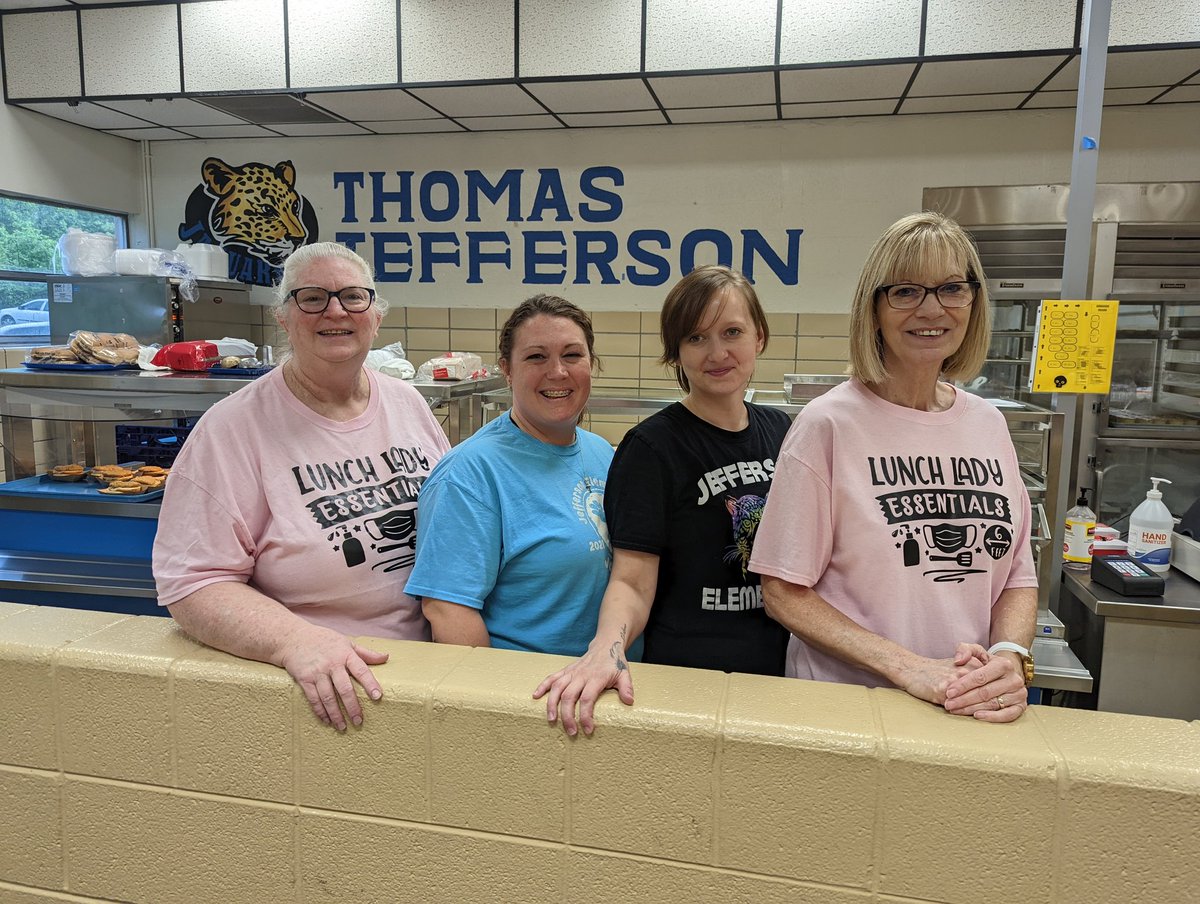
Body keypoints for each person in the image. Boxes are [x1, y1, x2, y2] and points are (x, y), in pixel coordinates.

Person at [751, 212, 1038, 722]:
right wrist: (909, 668)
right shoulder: (829, 425)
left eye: (952, 288)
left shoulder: (988, 425)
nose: (933, 309)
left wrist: (1009, 657)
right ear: (875, 308)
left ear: (973, 301)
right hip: (848, 713)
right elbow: (783, 591)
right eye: (906, 291)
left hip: (963, 706)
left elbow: (1016, 573)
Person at [153, 242, 450, 730]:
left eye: (354, 297)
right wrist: (295, 641)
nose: (335, 310)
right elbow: (192, 582)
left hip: (430, 669)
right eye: (311, 297)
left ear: (375, 316)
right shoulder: (232, 429)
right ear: (283, 317)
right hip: (324, 686)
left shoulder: (406, 403)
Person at [534, 265, 792, 735]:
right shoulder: (652, 448)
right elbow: (632, 579)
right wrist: (605, 651)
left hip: (781, 672)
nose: (717, 353)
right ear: (676, 353)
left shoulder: (785, 434)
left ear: (759, 337)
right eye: (695, 338)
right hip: (686, 680)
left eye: (732, 332)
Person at [405, 295, 629, 659]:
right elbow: (447, 610)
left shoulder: (602, 452)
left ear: (592, 363)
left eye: (572, 355)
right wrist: (500, 705)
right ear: (507, 370)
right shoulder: (469, 474)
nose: (557, 372)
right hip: (540, 694)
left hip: (619, 686)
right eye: (536, 357)